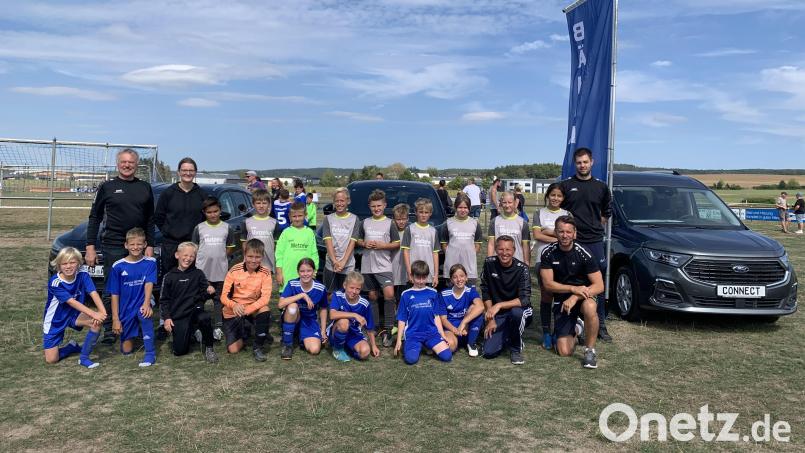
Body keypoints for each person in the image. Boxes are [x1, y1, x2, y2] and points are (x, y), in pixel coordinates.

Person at [85, 148, 155, 344]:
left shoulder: (145, 187)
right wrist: (90, 246)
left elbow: (150, 219)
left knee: (137, 288)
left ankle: (135, 325)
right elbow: (95, 217)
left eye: (131, 162)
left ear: (136, 165)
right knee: (112, 289)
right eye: (123, 162)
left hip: (138, 246)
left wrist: (150, 245)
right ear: (117, 164)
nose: (127, 165)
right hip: (113, 245)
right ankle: (109, 329)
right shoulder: (107, 187)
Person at [559, 147, 613, 342]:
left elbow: (606, 213)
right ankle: (575, 323)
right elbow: (560, 213)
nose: (582, 165)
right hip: (573, 242)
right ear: (575, 164)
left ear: (592, 162)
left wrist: (594, 227)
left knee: (598, 284)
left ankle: (601, 325)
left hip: (594, 241)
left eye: (585, 162)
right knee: (573, 281)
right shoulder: (566, 185)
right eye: (579, 162)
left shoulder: (601, 187)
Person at [540, 215, 603, 369]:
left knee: (590, 307)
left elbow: (599, 285)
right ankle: (577, 328)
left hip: (583, 297)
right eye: (561, 231)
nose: (565, 235)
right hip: (562, 299)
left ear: (574, 234)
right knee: (564, 351)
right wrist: (572, 289)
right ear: (555, 232)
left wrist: (575, 296)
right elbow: (548, 284)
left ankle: (589, 351)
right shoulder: (548, 253)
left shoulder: (584, 253)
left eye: (568, 232)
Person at [153, 157, 207, 339]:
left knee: (193, 284)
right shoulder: (168, 193)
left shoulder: (201, 194)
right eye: (184, 170)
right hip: (171, 245)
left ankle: (192, 321)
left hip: (193, 246)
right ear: (178, 172)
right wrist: (169, 232)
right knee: (169, 283)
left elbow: (206, 219)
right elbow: (158, 217)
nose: (187, 173)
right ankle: (165, 321)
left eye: (191, 170)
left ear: (195, 172)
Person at [43, 247, 107, 368]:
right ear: (59, 265)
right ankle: (71, 347)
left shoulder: (83, 274)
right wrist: (94, 313)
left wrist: (103, 312)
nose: (68, 266)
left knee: (96, 323)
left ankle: (84, 358)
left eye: (72, 262)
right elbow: (72, 302)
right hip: (56, 320)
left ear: (78, 263)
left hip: (74, 314)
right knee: (51, 360)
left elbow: (93, 292)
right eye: (64, 263)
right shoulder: (55, 282)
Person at [160, 242, 219, 363]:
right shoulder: (169, 276)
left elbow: (205, 294)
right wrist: (167, 318)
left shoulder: (198, 274)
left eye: (192, 256)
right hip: (179, 315)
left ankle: (209, 348)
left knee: (205, 317)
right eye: (185, 255)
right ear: (177, 255)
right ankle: (193, 331)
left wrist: (210, 291)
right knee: (180, 351)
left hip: (195, 311)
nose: (188, 258)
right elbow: (164, 300)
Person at [107, 227, 158, 367]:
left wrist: (147, 303)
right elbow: (114, 294)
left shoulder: (151, 262)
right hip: (126, 307)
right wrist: (115, 319)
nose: (136, 247)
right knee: (126, 350)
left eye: (139, 244)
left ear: (145, 244)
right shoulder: (118, 266)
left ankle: (150, 353)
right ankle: (135, 334)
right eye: (132, 244)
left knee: (144, 313)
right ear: (126, 245)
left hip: (142, 301)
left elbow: (149, 284)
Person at [356, 189, 400, 348]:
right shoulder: (364, 222)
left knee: (389, 294)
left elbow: (397, 243)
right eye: (373, 206)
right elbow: (358, 240)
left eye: (379, 206)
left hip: (384, 265)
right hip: (368, 266)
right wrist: (363, 243)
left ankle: (388, 329)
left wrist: (383, 246)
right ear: (370, 206)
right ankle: (373, 327)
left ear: (384, 205)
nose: (376, 208)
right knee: (372, 296)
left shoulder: (390, 223)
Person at [480, 235, 533, 365]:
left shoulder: (522, 268)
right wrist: (490, 319)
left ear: (514, 250)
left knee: (516, 313)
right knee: (488, 352)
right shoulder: (489, 263)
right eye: (501, 249)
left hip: (520, 310)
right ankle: (508, 334)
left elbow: (524, 299)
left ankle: (515, 349)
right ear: (496, 249)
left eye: (508, 249)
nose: (504, 253)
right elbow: (485, 292)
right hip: (498, 313)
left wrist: (499, 305)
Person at [192, 197, 237, 341]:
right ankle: (199, 328)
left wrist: (220, 256)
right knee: (199, 300)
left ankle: (218, 327)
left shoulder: (227, 227)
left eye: (215, 211)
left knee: (219, 300)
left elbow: (230, 247)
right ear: (204, 212)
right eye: (209, 212)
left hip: (220, 272)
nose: (213, 214)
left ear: (220, 210)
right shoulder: (199, 228)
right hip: (202, 272)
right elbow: (194, 248)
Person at [220, 239, 273, 361]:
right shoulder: (234, 270)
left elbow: (265, 298)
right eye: (250, 256)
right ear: (244, 255)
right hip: (234, 310)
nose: (253, 260)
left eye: (257, 257)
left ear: (262, 257)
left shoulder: (266, 272)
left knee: (264, 309)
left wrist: (248, 310)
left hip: (251, 309)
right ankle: (247, 331)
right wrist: (234, 305)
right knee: (233, 350)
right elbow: (223, 296)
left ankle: (258, 346)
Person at [532, 183, 570, 350]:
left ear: (563, 198)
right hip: (543, 261)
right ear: (547, 195)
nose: (555, 198)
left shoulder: (567, 214)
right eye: (553, 195)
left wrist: (548, 231)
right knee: (546, 296)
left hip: (563, 261)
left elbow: (571, 236)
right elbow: (537, 235)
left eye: (559, 196)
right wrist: (559, 238)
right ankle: (547, 332)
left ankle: (559, 331)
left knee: (561, 297)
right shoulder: (539, 213)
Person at [394, 260, 452, 365]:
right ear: (412, 276)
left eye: (424, 278)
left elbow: (436, 316)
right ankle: (415, 345)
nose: (421, 281)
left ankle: (426, 344)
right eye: (418, 277)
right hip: (413, 334)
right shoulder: (406, 295)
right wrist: (398, 340)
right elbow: (402, 319)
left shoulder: (433, 293)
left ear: (427, 276)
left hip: (431, 333)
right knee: (411, 359)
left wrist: (442, 334)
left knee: (447, 356)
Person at [277, 258, 328, 360]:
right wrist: (302, 295)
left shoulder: (320, 288)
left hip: (309, 321)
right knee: (292, 307)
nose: (305, 274)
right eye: (302, 271)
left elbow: (323, 309)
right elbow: (280, 305)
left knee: (314, 350)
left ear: (314, 271)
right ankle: (287, 345)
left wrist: (323, 331)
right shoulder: (292, 284)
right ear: (298, 272)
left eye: (309, 271)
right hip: (293, 317)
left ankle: (299, 335)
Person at [329, 271, 381, 361]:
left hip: (353, 334)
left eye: (357, 289)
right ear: (345, 285)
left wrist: (373, 346)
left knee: (365, 352)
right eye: (351, 287)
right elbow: (332, 315)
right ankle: (338, 349)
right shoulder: (338, 295)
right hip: (337, 330)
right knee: (344, 322)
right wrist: (354, 315)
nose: (354, 291)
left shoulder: (364, 304)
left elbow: (369, 327)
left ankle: (348, 348)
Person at [321, 187, 361, 297]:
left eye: (342, 201)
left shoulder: (354, 219)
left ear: (348, 201)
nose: (339, 203)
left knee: (347, 295)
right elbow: (328, 241)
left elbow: (352, 242)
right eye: (337, 201)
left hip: (347, 265)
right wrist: (334, 261)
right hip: (331, 264)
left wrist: (343, 261)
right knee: (330, 295)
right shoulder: (328, 219)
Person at [437, 264, 484, 357]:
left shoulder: (470, 291)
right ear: (451, 280)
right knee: (449, 347)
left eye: (462, 276)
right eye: (455, 277)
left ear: (466, 278)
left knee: (475, 308)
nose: (459, 279)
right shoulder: (444, 294)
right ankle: (455, 342)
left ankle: (471, 343)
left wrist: (464, 323)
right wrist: (455, 330)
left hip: (466, 329)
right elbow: (443, 319)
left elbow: (481, 307)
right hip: (451, 330)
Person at [439, 193, 482, 289]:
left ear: (469, 208)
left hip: (469, 270)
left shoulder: (475, 223)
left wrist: (469, 254)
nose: (463, 210)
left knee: (469, 296)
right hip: (451, 268)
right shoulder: (447, 223)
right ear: (455, 208)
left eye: (465, 207)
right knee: (451, 296)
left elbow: (478, 245)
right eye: (460, 207)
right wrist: (451, 254)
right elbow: (444, 244)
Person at [275, 201, 319, 291]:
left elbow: (314, 253)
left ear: (305, 215)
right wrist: (279, 273)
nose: (297, 219)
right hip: (287, 275)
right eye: (294, 216)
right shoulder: (286, 232)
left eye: (300, 216)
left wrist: (314, 271)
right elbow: (279, 254)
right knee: (287, 298)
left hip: (305, 276)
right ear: (290, 217)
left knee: (304, 298)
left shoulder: (310, 233)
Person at [401, 198, 440, 288]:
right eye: (421, 212)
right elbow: (406, 251)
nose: (423, 215)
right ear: (416, 212)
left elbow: (435, 254)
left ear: (430, 213)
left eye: (426, 212)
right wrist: (409, 272)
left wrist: (436, 275)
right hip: (413, 274)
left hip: (428, 275)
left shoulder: (433, 231)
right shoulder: (410, 229)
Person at [487, 192, 530, 266]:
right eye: (504, 202)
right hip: (498, 264)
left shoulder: (523, 223)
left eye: (510, 202)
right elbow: (491, 244)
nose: (507, 205)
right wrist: (489, 262)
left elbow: (525, 245)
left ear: (515, 203)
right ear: (501, 203)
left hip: (517, 264)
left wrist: (526, 262)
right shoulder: (494, 221)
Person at [241, 189, 277, 273]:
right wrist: (247, 258)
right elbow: (244, 243)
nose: (261, 206)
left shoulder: (274, 222)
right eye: (258, 203)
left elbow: (276, 245)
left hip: (268, 266)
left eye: (264, 203)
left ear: (269, 204)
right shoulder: (246, 222)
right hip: (251, 265)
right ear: (253, 204)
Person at [391, 203, 410, 332]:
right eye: (398, 219)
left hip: (405, 270)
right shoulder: (390, 231)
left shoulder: (410, 231)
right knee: (391, 297)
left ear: (407, 218)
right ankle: (393, 322)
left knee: (402, 297)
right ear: (394, 219)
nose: (401, 222)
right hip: (392, 267)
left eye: (403, 219)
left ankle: (402, 322)